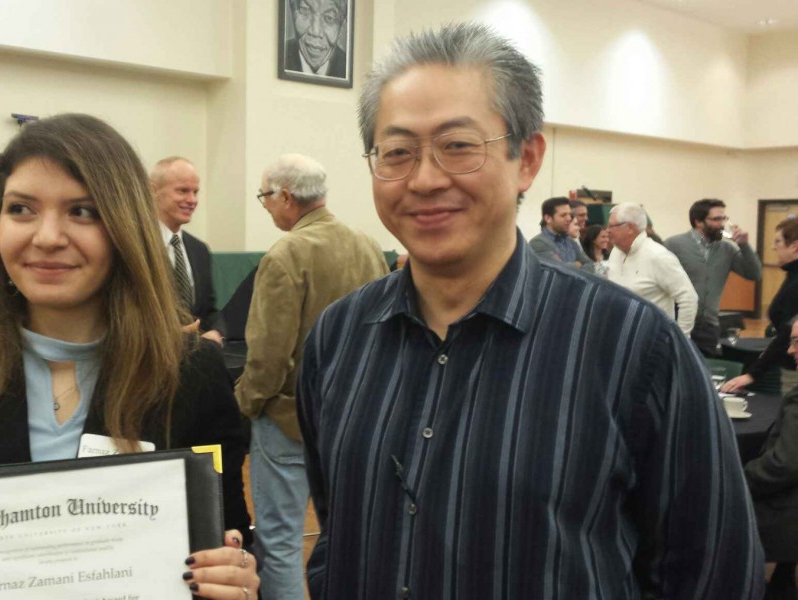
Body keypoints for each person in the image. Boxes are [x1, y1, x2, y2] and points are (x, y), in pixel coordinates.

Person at [298, 23, 762, 599]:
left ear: (527, 159)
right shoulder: (339, 338)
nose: (423, 178)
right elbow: (339, 531)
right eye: (397, 153)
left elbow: (714, 572)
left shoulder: (634, 345)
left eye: (459, 146)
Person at [0, 114, 258, 599]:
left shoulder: (191, 374)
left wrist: (234, 575)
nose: (46, 236)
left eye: (82, 211)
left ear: (125, 226)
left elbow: (227, 537)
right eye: (21, 208)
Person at [235, 154, 387, 599]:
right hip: (356, 418)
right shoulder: (368, 246)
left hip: (290, 421)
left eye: (265, 197)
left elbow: (267, 356)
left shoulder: (286, 254)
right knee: (344, 537)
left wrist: (246, 403)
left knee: (279, 543)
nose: (264, 205)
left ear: (285, 196)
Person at [665, 199, 762, 356]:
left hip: (708, 326)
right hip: (677, 322)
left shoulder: (726, 249)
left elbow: (754, 274)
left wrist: (744, 245)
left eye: (724, 218)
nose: (722, 224)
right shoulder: (673, 245)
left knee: (707, 372)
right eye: (716, 219)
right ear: (698, 222)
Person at [745, 317, 798, 599]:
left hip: (784, 514)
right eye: (791, 341)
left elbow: (783, 465)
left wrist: (740, 477)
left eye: (797, 342)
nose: (790, 351)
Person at [150, 157, 225, 345]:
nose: (192, 200)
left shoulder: (199, 249)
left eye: (196, 192)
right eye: (183, 191)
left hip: (195, 361)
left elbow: (207, 311)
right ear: (153, 190)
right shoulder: (134, 246)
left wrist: (217, 330)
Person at [721, 218, 798, 393]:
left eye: (778, 241)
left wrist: (752, 374)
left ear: (794, 246)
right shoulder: (792, 274)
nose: (773, 247)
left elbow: (787, 332)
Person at [606, 203, 698, 336]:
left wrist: (679, 339)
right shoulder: (616, 252)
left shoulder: (658, 256)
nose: (607, 230)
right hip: (620, 337)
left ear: (630, 228)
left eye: (611, 226)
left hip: (652, 342)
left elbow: (688, 298)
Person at [284, 0, 348, 78]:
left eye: (329, 18)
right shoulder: (280, 55)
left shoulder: (347, 67)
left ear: (341, 27)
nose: (315, 32)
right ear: (293, 12)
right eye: (305, 11)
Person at [528, 196, 592, 267]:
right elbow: (560, 270)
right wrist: (577, 264)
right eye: (563, 215)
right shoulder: (538, 243)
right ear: (548, 218)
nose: (569, 218)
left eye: (569, 214)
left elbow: (590, 265)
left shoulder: (571, 242)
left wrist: (572, 266)